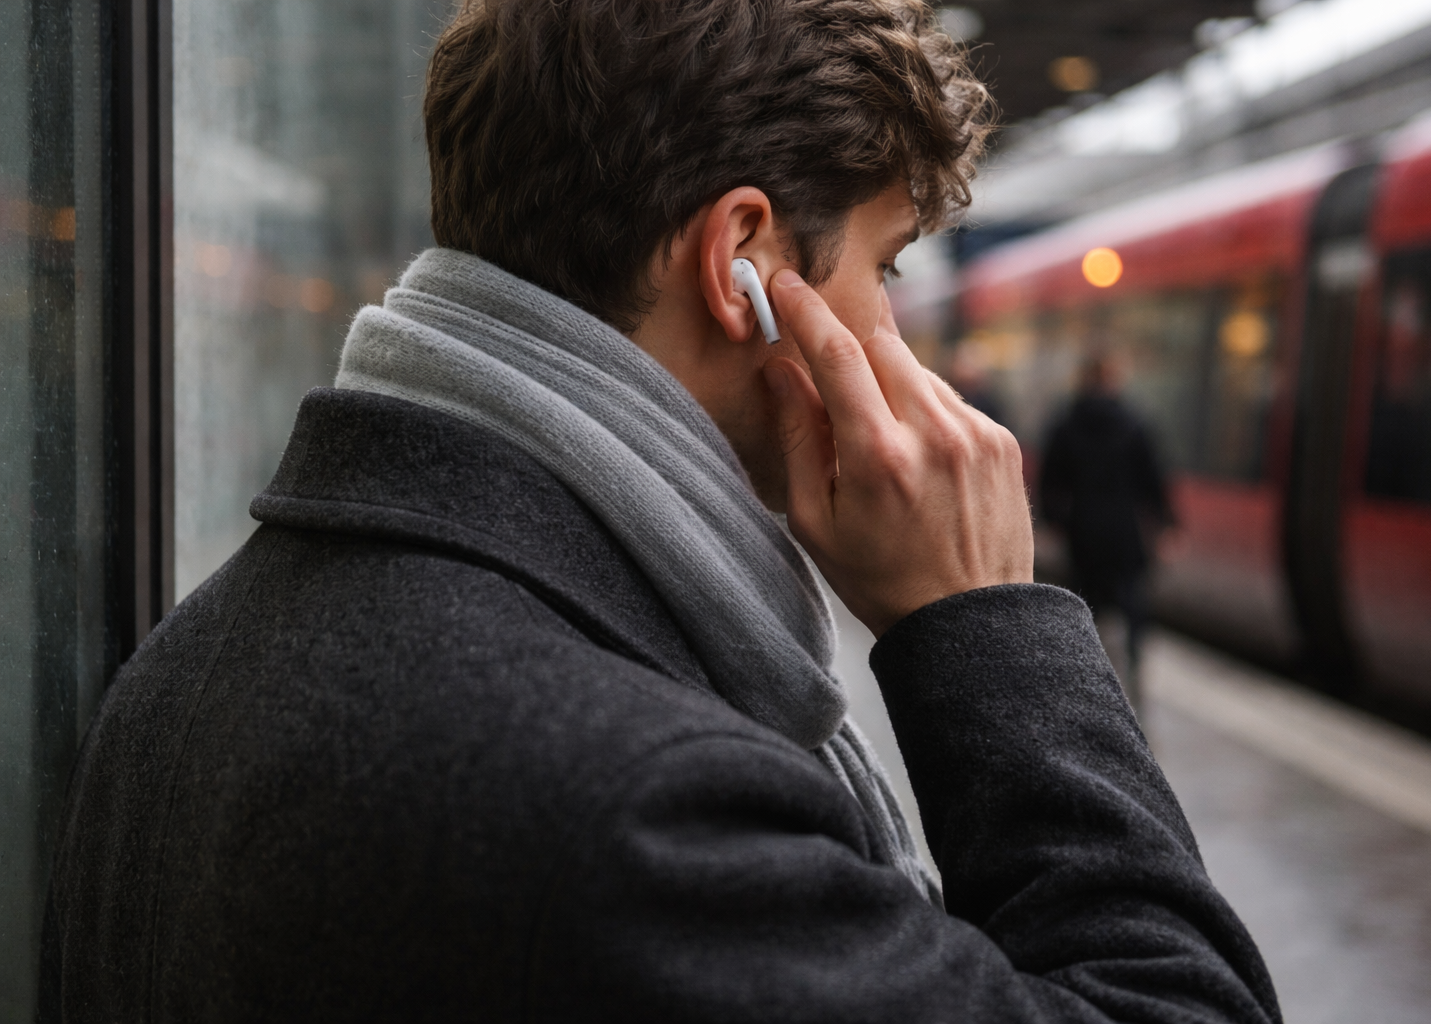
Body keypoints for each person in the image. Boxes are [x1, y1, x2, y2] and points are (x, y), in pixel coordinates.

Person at [40, 2, 1276, 1021]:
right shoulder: (644, 807)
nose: (893, 333)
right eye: (882, 266)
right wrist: (987, 621)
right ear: (746, 264)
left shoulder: (184, 669)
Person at [1039, 353, 1176, 712]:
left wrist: (1056, 521)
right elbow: (1153, 480)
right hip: (1124, 533)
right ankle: (1133, 682)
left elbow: (1049, 481)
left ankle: (1084, 684)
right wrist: (1166, 524)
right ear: (1114, 380)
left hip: (1083, 532)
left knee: (1086, 608)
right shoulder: (1134, 422)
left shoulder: (1065, 423)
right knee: (1132, 606)